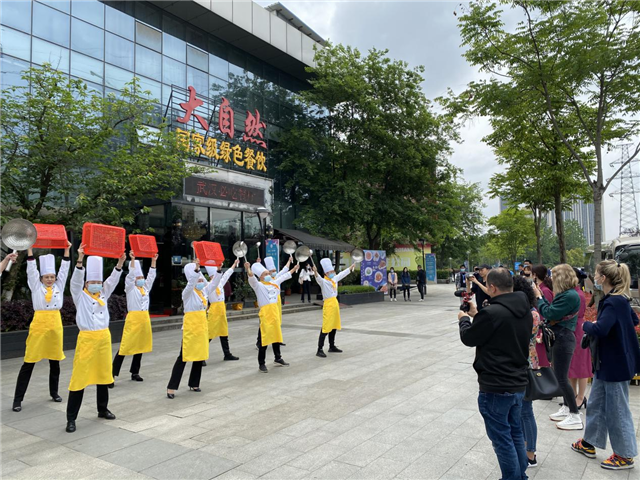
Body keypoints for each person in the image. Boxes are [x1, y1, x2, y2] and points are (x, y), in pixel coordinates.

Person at [458, 268, 532, 480]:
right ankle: (520, 475)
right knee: (515, 432)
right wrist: (477, 315)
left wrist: (464, 319)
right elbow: (500, 328)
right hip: (518, 382)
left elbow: (469, 338)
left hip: (496, 385)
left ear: (492, 287)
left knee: (502, 440)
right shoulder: (524, 307)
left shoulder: (492, 313)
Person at [572, 260, 640, 470]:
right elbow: (633, 321)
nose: (594, 277)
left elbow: (601, 329)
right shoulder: (618, 300)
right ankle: (589, 443)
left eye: (597, 274)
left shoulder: (614, 302)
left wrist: (586, 325)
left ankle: (625, 455)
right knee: (597, 404)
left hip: (614, 364)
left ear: (604, 278)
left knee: (617, 410)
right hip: (607, 363)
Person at [66, 247, 125, 433]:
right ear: (86, 283)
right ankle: (71, 418)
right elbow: (75, 282)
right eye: (93, 282)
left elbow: (112, 281)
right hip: (87, 339)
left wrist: (120, 263)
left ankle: (102, 408)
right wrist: (80, 260)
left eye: (99, 282)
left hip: (103, 338)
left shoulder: (103, 294)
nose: (97, 285)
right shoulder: (80, 295)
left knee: (103, 374)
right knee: (79, 378)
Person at [13, 243, 71, 412]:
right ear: (41, 279)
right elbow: (31, 269)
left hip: (55, 324)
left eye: (52, 277)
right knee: (29, 361)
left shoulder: (58, 287)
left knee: (55, 361)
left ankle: (54, 392)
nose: (50, 279)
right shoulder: (36, 286)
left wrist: (67, 250)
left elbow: (65, 270)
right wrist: (29, 249)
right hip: (39, 323)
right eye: (47, 277)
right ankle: (18, 399)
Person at [533, 264, 583, 430]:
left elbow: (550, 313)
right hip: (561, 337)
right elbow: (552, 309)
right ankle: (568, 407)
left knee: (562, 377)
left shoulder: (569, 295)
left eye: (554, 275)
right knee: (560, 376)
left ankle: (575, 415)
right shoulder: (567, 294)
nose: (551, 278)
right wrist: (541, 298)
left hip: (563, 337)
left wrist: (539, 298)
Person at [111, 252, 157, 386]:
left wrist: (153, 261)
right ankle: (112, 374)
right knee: (125, 347)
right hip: (133, 319)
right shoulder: (130, 288)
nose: (141, 279)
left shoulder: (145, 288)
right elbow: (130, 277)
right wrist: (132, 260)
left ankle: (135, 372)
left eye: (142, 277)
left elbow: (151, 277)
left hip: (144, 319)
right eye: (139, 277)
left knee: (140, 346)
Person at [166, 260, 209, 399]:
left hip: (202, 325)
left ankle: (194, 383)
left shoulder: (203, 292)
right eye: (199, 279)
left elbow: (213, 284)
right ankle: (171, 387)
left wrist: (219, 271)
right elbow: (191, 283)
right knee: (183, 356)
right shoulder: (187, 293)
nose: (201, 281)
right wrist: (196, 271)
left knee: (199, 355)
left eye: (202, 279)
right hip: (191, 327)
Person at [513, 275, 542, 468]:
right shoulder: (530, 311)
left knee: (526, 410)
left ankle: (530, 452)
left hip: (525, 363)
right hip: (525, 362)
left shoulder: (529, 313)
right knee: (522, 410)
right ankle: (524, 448)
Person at [246, 260, 297, 372]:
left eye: (268, 273)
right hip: (265, 314)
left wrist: (294, 268)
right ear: (260, 277)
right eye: (266, 274)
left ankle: (278, 358)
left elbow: (285, 276)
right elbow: (251, 278)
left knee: (276, 337)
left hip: (274, 313)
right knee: (264, 339)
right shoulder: (258, 286)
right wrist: (248, 268)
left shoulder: (274, 283)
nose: (268, 275)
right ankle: (261, 363)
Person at [314, 258, 355, 357]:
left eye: (332, 271)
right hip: (328, 304)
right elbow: (318, 278)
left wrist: (350, 268)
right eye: (329, 272)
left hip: (335, 303)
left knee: (334, 325)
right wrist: (315, 272)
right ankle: (319, 349)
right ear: (326, 273)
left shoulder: (334, 279)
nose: (332, 273)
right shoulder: (323, 281)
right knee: (326, 326)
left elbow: (343, 274)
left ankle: (332, 346)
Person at [204, 260, 240, 361]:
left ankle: (227, 354)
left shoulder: (221, 282)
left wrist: (234, 263)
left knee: (224, 332)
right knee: (209, 334)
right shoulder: (208, 285)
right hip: (214, 311)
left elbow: (228, 273)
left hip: (221, 310)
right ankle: (201, 356)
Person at [569, 268, 591, 410]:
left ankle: (581, 397)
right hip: (573, 328)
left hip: (578, 329)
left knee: (581, 365)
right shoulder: (574, 293)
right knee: (572, 365)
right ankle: (573, 395)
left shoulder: (578, 295)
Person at [532, 264, 553, 367]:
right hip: (538, 327)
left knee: (543, 361)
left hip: (542, 329)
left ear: (535, 275)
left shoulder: (544, 291)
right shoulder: (540, 289)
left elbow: (547, 311)